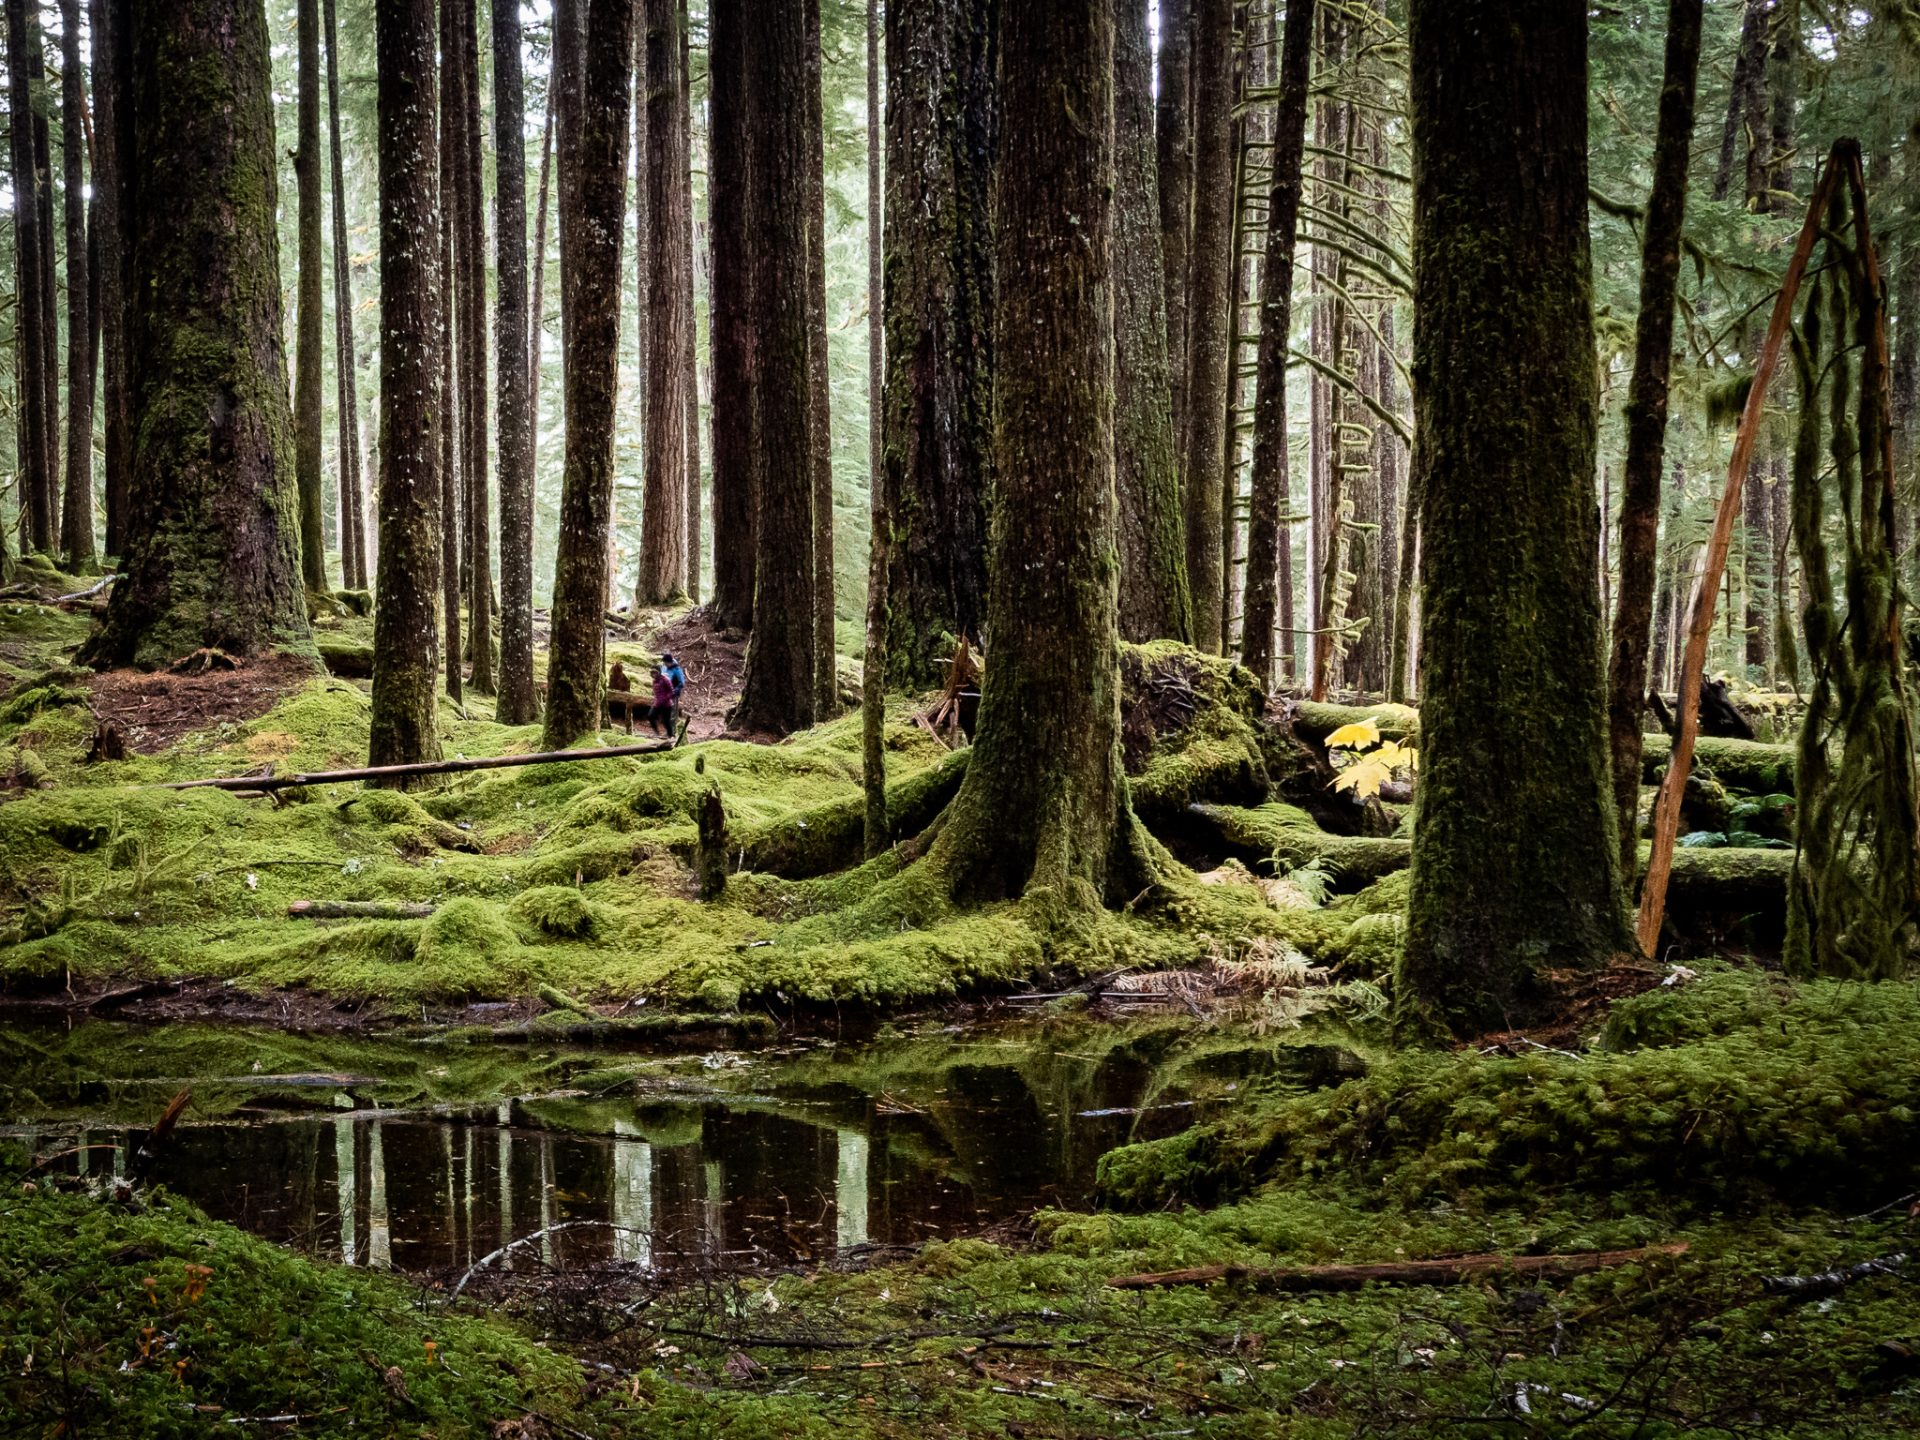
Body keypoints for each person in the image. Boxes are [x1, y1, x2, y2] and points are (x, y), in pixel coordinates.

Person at [647, 665, 676, 737]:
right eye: (652, 673)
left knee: (666, 722)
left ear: (659, 672)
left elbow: (672, 691)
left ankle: (671, 736)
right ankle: (656, 733)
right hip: (657, 704)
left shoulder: (665, 680)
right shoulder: (654, 681)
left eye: (655, 673)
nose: (654, 675)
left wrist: (665, 698)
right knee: (650, 716)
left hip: (667, 705)